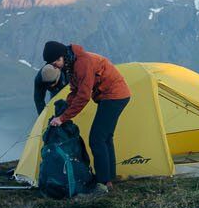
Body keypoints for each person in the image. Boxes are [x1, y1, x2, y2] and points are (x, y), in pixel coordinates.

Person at [41, 41, 132, 194]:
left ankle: (103, 183)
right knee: (105, 137)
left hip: (115, 95)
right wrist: (64, 109)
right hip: (110, 95)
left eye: (56, 62)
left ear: (62, 56)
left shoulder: (82, 63)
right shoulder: (71, 63)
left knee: (97, 139)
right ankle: (109, 178)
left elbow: (83, 96)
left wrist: (63, 118)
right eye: (52, 64)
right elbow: (75, 91)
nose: (55, 66)